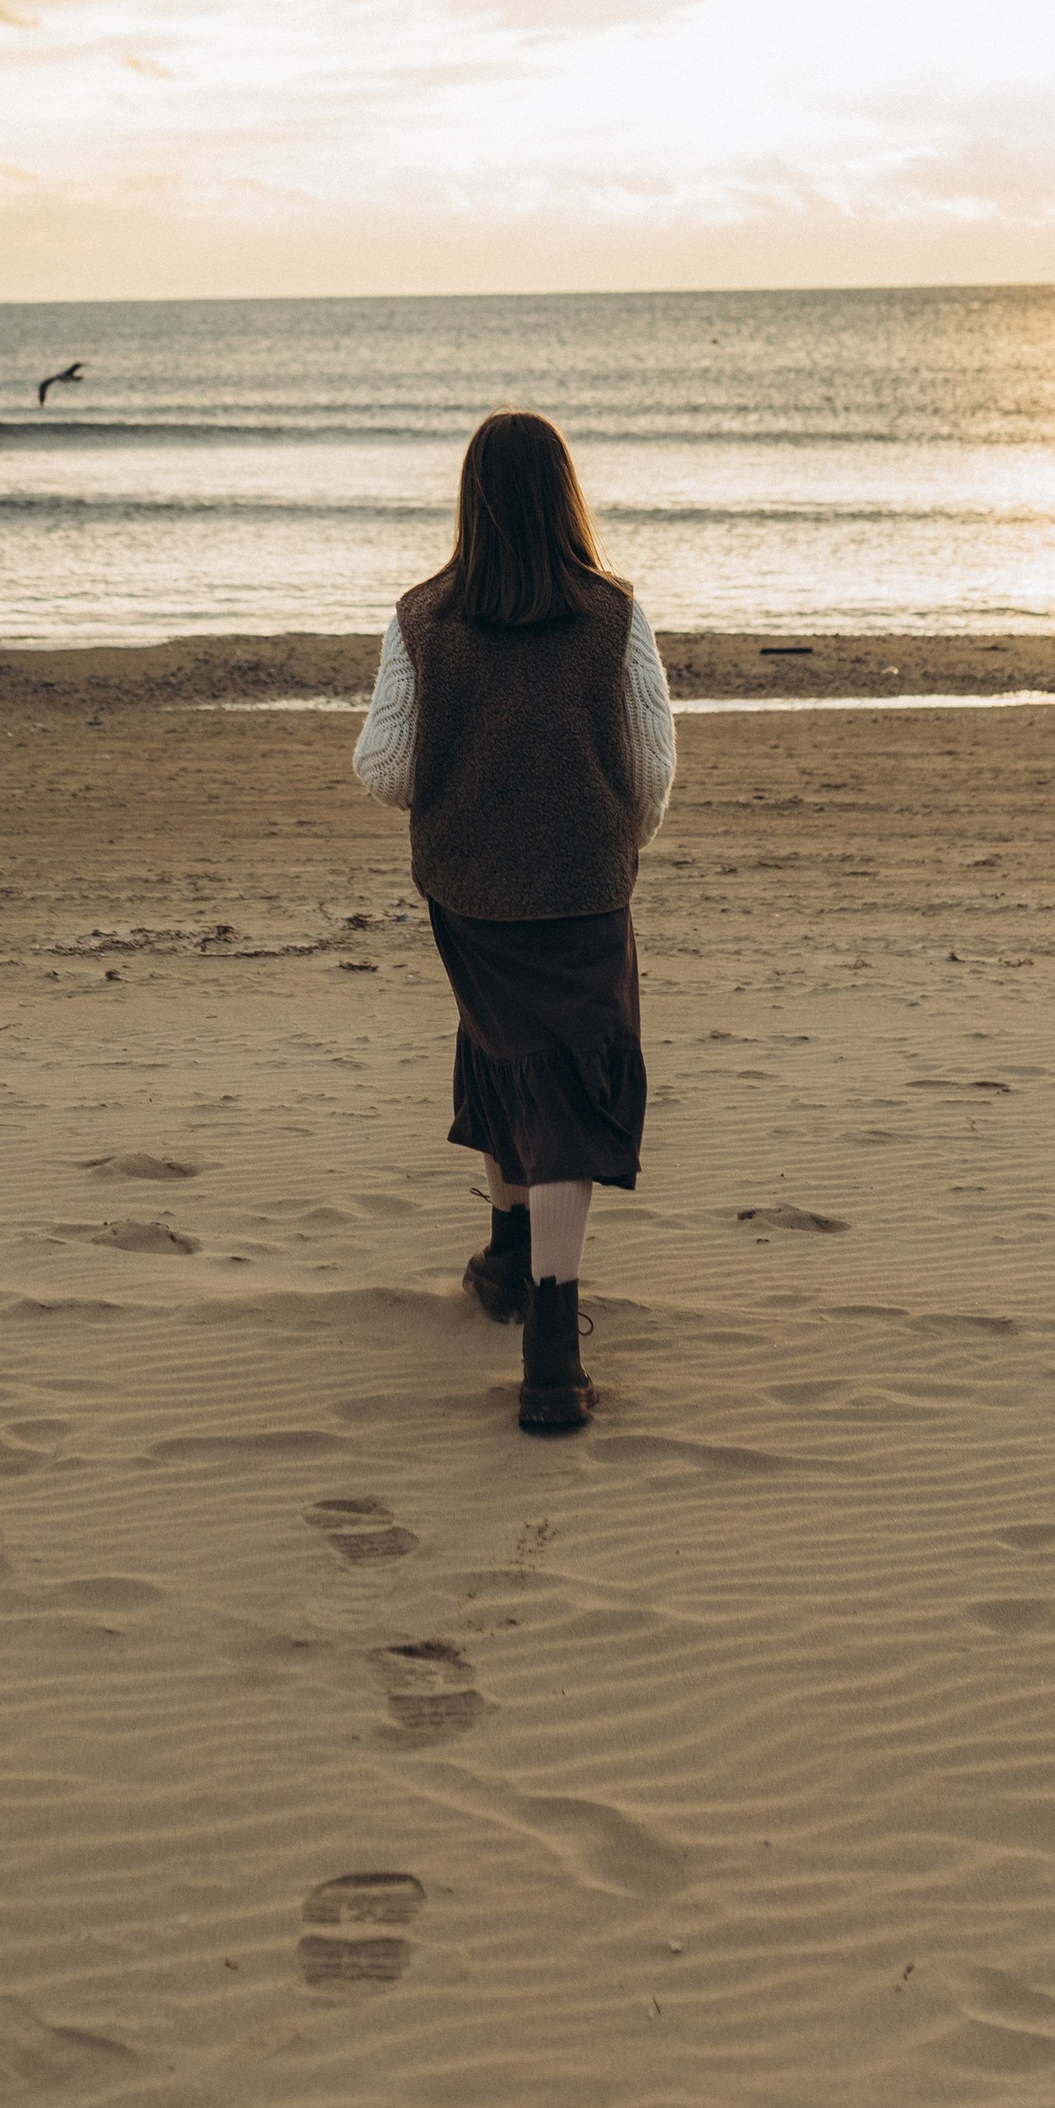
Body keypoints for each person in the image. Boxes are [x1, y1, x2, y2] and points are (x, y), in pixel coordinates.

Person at [352, 412, 675, 1432]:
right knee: (567, 1086)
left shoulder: (421, 618)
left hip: (470, 887)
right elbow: (651, 770)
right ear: (565, 497)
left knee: (503, 1055)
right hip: (583, 887)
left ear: (472, 499)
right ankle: (550, 1344)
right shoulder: (614, 615)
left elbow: (385, 771)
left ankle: (506, 1259)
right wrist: (611, 843)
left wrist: (470, 786)